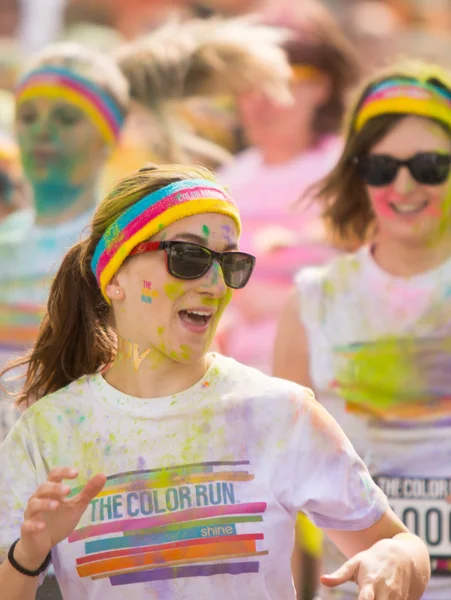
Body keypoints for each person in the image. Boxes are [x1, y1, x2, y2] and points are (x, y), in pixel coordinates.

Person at [0, 163, 429, 600]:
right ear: (114, 278)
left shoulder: (277, 412)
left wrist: (394, 559)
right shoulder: (48, 432)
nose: (214, 283)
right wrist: (28, 554)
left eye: (230, 263)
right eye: (187, 257)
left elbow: (402, 545)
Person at [0, 16, 292, 444]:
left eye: (65, 119)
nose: (42, 131)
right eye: (28, 116)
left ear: (108, 136)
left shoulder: (130, 251)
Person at [274, 60, 451, 599]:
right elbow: (288, 485)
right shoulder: (312, 302)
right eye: (381, 167)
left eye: (429, 165)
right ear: (358, 173)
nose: (404, 184)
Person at [217, 0, 360, 375]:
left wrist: (277, 303)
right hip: (233, 383)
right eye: (248, 83)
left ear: (322, 86)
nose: (261, 100)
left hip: (329, 379)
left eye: (281, 79)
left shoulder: (353, 173)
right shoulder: (224, 181)